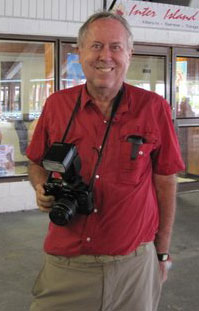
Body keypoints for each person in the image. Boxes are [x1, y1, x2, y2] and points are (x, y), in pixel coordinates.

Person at [26, 11, 185, 311]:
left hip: (133, 268)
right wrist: (39, 186)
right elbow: (36, 162)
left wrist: (161, 254)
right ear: (80, 52)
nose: (105, 56)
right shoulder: (57, 105)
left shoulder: (154, 108)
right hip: (66, 266)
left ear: (129, 54)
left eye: (115, 46)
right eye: (96, 45)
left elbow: (165, 182)